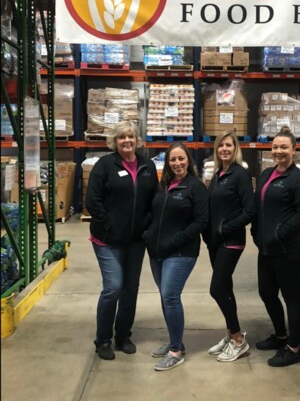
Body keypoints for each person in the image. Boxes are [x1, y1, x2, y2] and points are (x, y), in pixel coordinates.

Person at [86, 121, 158, 360]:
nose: (127, 141)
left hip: (136, 240)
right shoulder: (105, 165)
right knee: (113, 287)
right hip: (107, 239)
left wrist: (147, 227)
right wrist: (110, 225)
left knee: (130, 288)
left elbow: (153, 200)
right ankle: (103, 340)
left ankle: (123, 335)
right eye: (122, 138)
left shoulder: (147, 165)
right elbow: (92, 200)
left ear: (137, 140)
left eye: (131, 136)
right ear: (114, 142)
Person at [144, 143, 209, 371]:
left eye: (181, 159)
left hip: (181, 252)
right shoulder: (164, 185)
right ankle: (175, 340)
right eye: (173, 159)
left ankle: (175, 352)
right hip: (157, 251)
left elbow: (201, 221)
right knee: (165, 296)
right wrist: (149, 236)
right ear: (168, 163)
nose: (177, 163)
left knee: (171, 296)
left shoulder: (195, 187)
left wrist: (176, 240)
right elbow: (154, 215)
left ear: (188, 161)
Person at [252, 127, 300, 367]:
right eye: (275, 147)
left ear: (294, 150)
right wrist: (256, 233)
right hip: (266, 248)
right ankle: (280, 336)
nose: (279, 151)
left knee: (291, 297)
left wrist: (279, 233)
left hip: (290, 249)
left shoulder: (299, 179)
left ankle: (294, 348)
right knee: (266, 292)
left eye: (284, 147)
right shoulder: (267, 173)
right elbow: (261, 206)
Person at [203, 132, 255, 362]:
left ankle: (237, 339)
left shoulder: (240, 174)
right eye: (221, 145)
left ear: (235, 149)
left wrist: (227, 228)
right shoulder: (217, 175)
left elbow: (250, 210)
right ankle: (229, 333)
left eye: (229, 145)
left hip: (231, 241)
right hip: (214, 242)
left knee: (216, 289)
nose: (225, 148)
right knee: (226, 289)